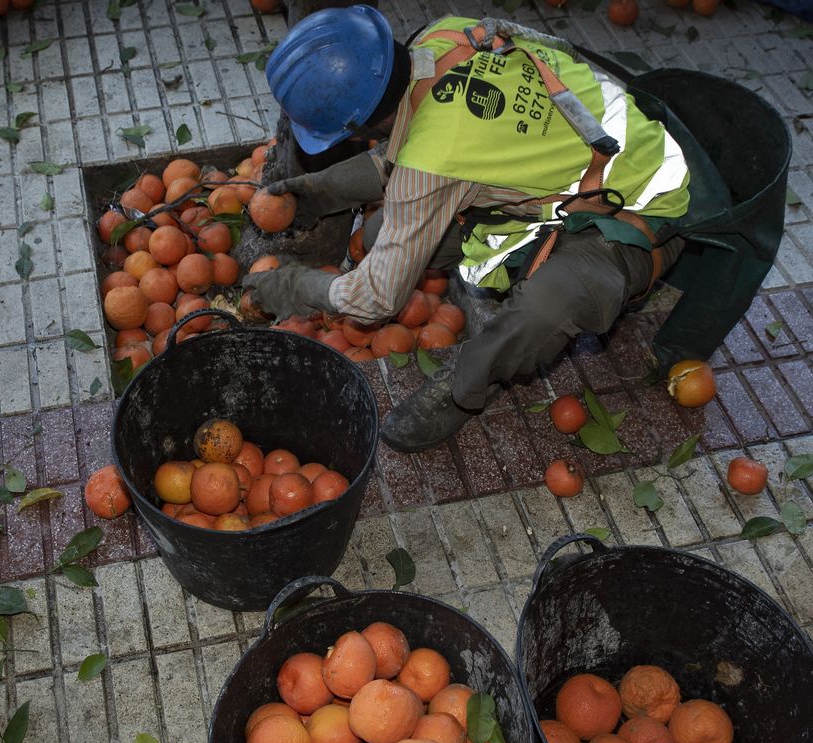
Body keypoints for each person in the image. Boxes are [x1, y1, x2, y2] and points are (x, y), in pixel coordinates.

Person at [243, 8, 693, 453]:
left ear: (358, 125)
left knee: (551, 302)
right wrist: (318, 194)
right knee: (384, 235)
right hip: (563, 174)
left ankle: (466, 386)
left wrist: (295, 285)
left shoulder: (433, 159)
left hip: (645, 201)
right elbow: (409, 150)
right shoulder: (445, 35)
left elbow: (374, 299)